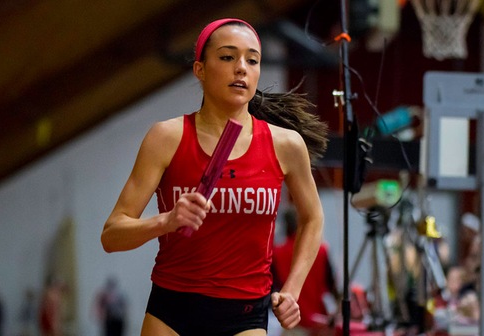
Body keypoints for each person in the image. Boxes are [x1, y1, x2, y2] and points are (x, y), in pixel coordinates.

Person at [101, 17, 329, 336]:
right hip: (172, 312)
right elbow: (111, 235)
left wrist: (292, 289)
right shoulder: (166, 137)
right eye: (227, 56)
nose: (241, 67)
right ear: (200, 70)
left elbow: (312, 218)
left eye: (252, 59)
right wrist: (166, 221)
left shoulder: (286, 144)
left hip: (245, 315)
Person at [272, 207, 339, 336]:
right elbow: (331, 286)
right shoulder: (322, 250)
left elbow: (274, 289)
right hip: (320, 323)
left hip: (292, 323)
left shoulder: (277, 253)